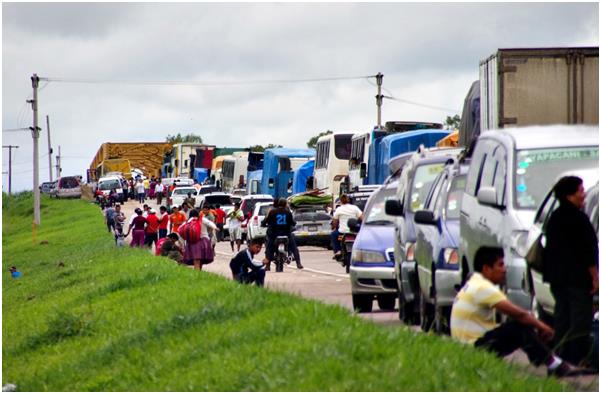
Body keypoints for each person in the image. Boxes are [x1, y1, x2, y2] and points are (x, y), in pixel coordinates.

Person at [450, 247, 591, 377]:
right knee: (519, 328)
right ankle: (556, 366)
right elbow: (519, 314)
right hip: (473, 349)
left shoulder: (474, 282)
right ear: (486, 268)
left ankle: (550, 361)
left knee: (522, 327)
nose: (504, 270)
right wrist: (543, 327)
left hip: (466, 349)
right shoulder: (483, 287)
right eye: (500, 265)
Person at [543, 176, 599, 366]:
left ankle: (560, 356)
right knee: (580, 320)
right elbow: (588, 250)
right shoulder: (578, 219)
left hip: (558, 280)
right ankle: (576, 359)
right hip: (577, 279)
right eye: (580, 191)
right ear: (569, 195)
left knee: (562, 317)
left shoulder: (554, 219)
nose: (583, 195)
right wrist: (594, 277)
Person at [261, 198, 303, 270]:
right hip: (286, 234)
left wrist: (264, 224)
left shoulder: (272, 212)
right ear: (285, 204)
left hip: (274, 234)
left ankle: (268, 265)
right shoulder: (288, 212)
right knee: (294, 248)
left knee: (269, 248)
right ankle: (298, 263)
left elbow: (266, 221)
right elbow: (292, 223)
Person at [331, 194, 363, 259]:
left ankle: (338, 251)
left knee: (333, 234)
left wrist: (334, 227)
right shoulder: (355, 208)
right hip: (354, 231)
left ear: (340, 201)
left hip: (342, 232)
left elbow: (335, 221)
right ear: (348, 200)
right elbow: (362, 218)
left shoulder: (339, 209)